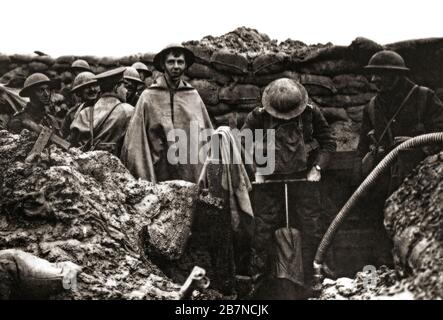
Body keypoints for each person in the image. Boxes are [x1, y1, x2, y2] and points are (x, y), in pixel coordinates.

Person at [241, 78, 336, 286]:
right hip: (269, 181)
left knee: (313, 225)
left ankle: (318, 274)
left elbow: (328, 143)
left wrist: (317, 168)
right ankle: (258, 280)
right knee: (262, 229)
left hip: (304, 179)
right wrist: (257, 171)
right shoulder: (257, 117)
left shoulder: (311, 113)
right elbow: (243, 147)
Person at [121, 44, 213, 183]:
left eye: (180, 62)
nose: (176, 66)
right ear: (163, 65)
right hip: (158, 168)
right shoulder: (149, 96)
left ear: (186, 65)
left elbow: (206, 135)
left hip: (188, 169)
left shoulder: (192, 96)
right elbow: (136, 140)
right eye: (171, 62)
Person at [358, 50, 443, 187]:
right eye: (372, 74)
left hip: (421, 180)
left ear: (395, 75)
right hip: (381, 184)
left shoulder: (424, 98)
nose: (373, 79)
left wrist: (417, 145)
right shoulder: (372, 107)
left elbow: (440, 135)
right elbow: (361, 150)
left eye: (379, 74)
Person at [69, 67, 134, 156]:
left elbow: (72, 143)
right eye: (124, 86)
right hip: (116, 167)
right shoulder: (129, 111)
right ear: (115, 87)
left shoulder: (84, 113)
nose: (126, 91)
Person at [61, 71, 100, 138]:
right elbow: (64, 137)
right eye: (87, 87)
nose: (92, 89)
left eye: (94, 85)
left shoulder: (106, 108)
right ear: (78, 92)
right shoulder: (72, 114)